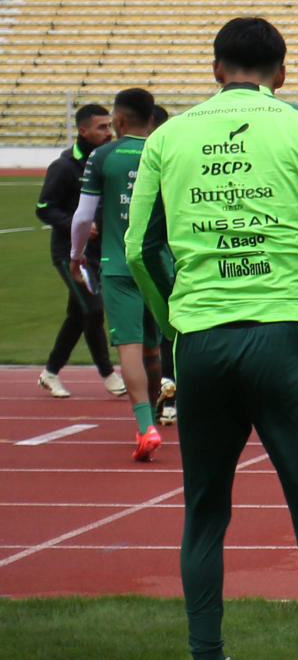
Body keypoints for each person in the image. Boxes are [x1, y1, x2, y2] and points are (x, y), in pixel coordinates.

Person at [125, 15, 298, 660]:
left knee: (204, 511)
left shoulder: (170, 135)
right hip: (286, 336)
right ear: (282, 71)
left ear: (216, 68)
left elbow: (134, 251)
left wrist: (171, 322)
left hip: (202, 339)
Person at [70, 88, 166, 460]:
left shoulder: (104, 156)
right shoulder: (166, 151)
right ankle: (164, 410)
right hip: (162, 263)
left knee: (129, 346)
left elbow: (82, 216)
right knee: (155, 346)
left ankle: (145, 427)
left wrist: (76, 255)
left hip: (119, 263)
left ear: (121, 120)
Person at [35, 103, 120, 400]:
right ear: (83, 131)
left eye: (109, 126)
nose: (108, 132)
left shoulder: (106, 161)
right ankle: (108, 374)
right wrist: (73, 223)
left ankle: (50, 373)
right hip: (70, 254)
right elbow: (44, 208)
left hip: (99, 252)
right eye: (101, 127)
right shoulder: (64, 166)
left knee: (77, 315)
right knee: (93, 310)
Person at [149, 103, 178, 426]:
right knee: (169, 333)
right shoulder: (175, 158)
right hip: (177, 256)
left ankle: (162, 397)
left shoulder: (155, 159)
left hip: (149, 259)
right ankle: (168, 397)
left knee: (154, 335)